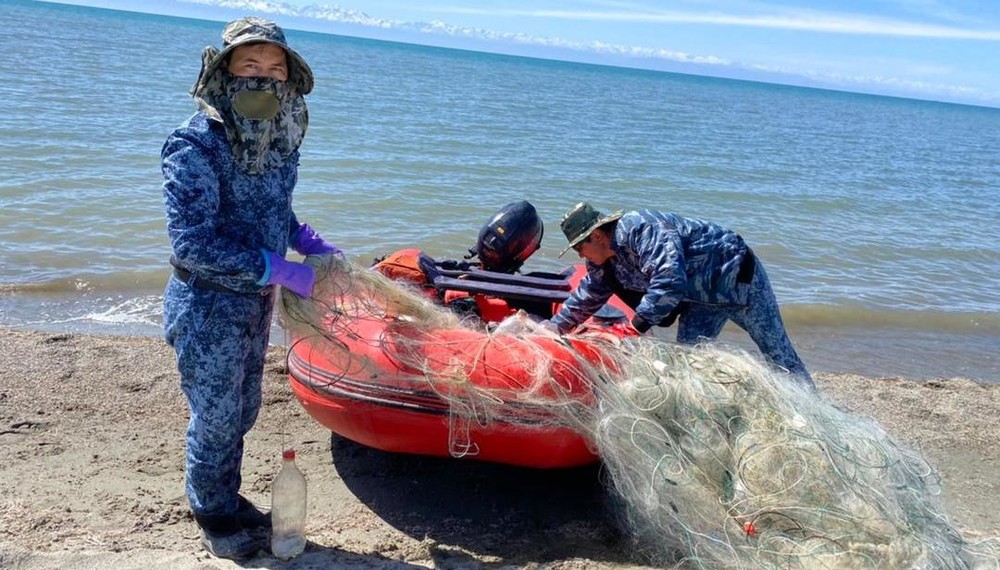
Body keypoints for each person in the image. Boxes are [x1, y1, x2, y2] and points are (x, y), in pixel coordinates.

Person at [161, 17, 341, 559]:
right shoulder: (194, 144)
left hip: (255, 305)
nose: (263, 78)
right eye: (249, 66)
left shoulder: (278, 138)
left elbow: (274, 211)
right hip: (206, 303)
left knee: (243, 411)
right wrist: (281, 270)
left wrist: (307, 242)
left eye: (274, 68)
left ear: (288, 79)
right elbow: (191, 243)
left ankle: (225, 495)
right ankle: (212, 513)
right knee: (214, 417)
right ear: (225, 71)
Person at [549, 202, 815, 390]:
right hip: (701, 302)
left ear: (596, 235)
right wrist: (554, 327)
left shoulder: (640, 229)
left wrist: (634, 327)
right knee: (690, 364)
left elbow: (669, 281)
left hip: (740, 283)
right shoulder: (603, 261)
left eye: (579, 247)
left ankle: (812, 408)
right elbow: (589, 294)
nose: (580, 255)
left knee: (777, 352)